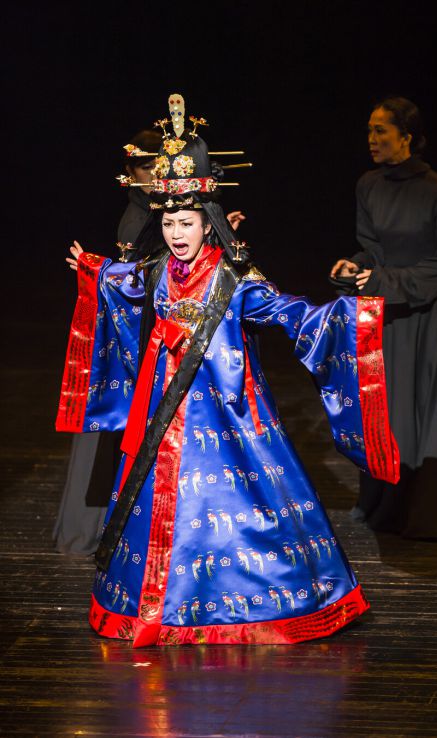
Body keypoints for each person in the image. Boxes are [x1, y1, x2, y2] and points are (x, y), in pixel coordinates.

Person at [56, 92, 399, 647]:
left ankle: (250, 603)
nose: (177, 234)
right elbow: (126, 281)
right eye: (170, 222)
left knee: (243, 508)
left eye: (187, 223)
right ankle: (158, 606)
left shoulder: (233, 277)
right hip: (165, 413)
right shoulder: (160, 269)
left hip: (227, 414)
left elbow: (285, 310)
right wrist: (95, 269)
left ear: (207, 222)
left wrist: (349, 318)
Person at [54, 130, 245, 556]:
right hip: (156, 348)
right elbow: (140, 276)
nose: (158, 174)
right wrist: (98, 270)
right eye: (148, 167)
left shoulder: (169, 214)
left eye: (186, 222)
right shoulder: (141, 219)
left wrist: (217, 236)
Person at [330, 96, 437, 540]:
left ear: (407, 137)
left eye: (381, 130)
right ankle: (388, 500)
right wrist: (353, 266)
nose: (371, 139)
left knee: (433, 403)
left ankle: (431, 510)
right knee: (394, 405)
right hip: (395, 304)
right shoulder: (368, 185)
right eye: (369, 130)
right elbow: (373, 249)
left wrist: (385, 280)